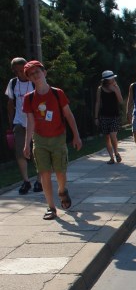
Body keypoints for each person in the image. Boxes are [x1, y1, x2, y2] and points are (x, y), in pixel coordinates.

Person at [21, 60, 82, 220]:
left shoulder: (57, 93)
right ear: (29, 79)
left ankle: (62, 190)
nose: (35, 75)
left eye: (37, 71)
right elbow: (30, 122)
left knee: (60, 172)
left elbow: (68, 115)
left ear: (44, 72)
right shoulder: (28, 98)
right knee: (44, 173)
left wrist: (76, 135)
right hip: (39, 140)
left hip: (58, 138)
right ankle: (51, 208)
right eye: (31, 74)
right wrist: (27, 144)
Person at [5, 57, 42, 194]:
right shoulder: (13, 83)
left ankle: (39, 181)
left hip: (36, 123)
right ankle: (26, 181)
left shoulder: (34, 82)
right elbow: (10, 103)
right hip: (19, 122)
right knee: (20, 152)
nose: (19, 74)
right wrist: (11, 122)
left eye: (21, 70)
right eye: (16, 71)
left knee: (38, 152)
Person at [94, 70, 123, 164]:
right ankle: (111, 157)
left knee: (113, 135)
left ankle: (116, 153)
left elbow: (121, 101)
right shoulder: (100, 89)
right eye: (111, 78)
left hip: (114, 115)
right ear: (106, 80)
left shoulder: (116, 87)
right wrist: (96, 117)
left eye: (113, 78)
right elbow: (98, 102)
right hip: (104, 115)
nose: (113, 79)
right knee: (107, 137)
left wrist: (115, 90)